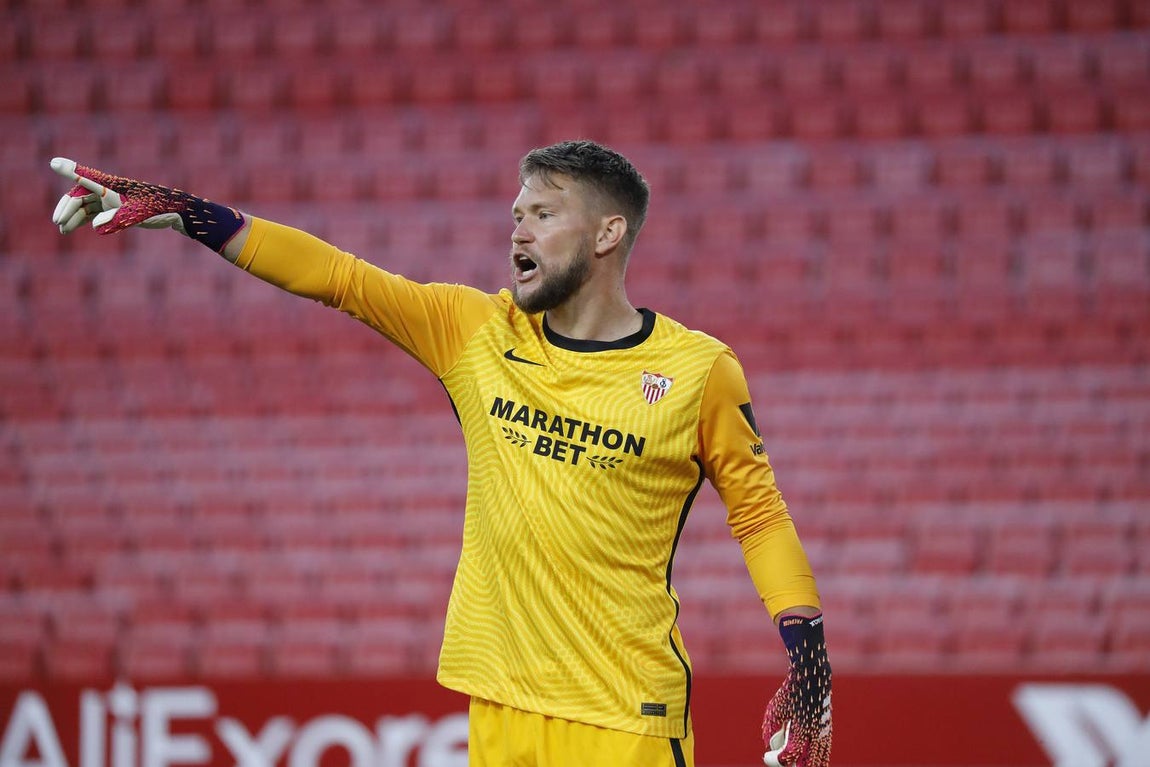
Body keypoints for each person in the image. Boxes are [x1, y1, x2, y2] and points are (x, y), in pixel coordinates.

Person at [50, 141, 832, 767]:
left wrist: (808, 665)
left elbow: (759, 515)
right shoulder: (475, 332)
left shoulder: (699, 370)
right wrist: (188, 212)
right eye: (516, 212)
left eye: (544, 213)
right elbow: (341, 278)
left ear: (607, 233)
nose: (518, 228)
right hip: (495, 705)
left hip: (622, 717)